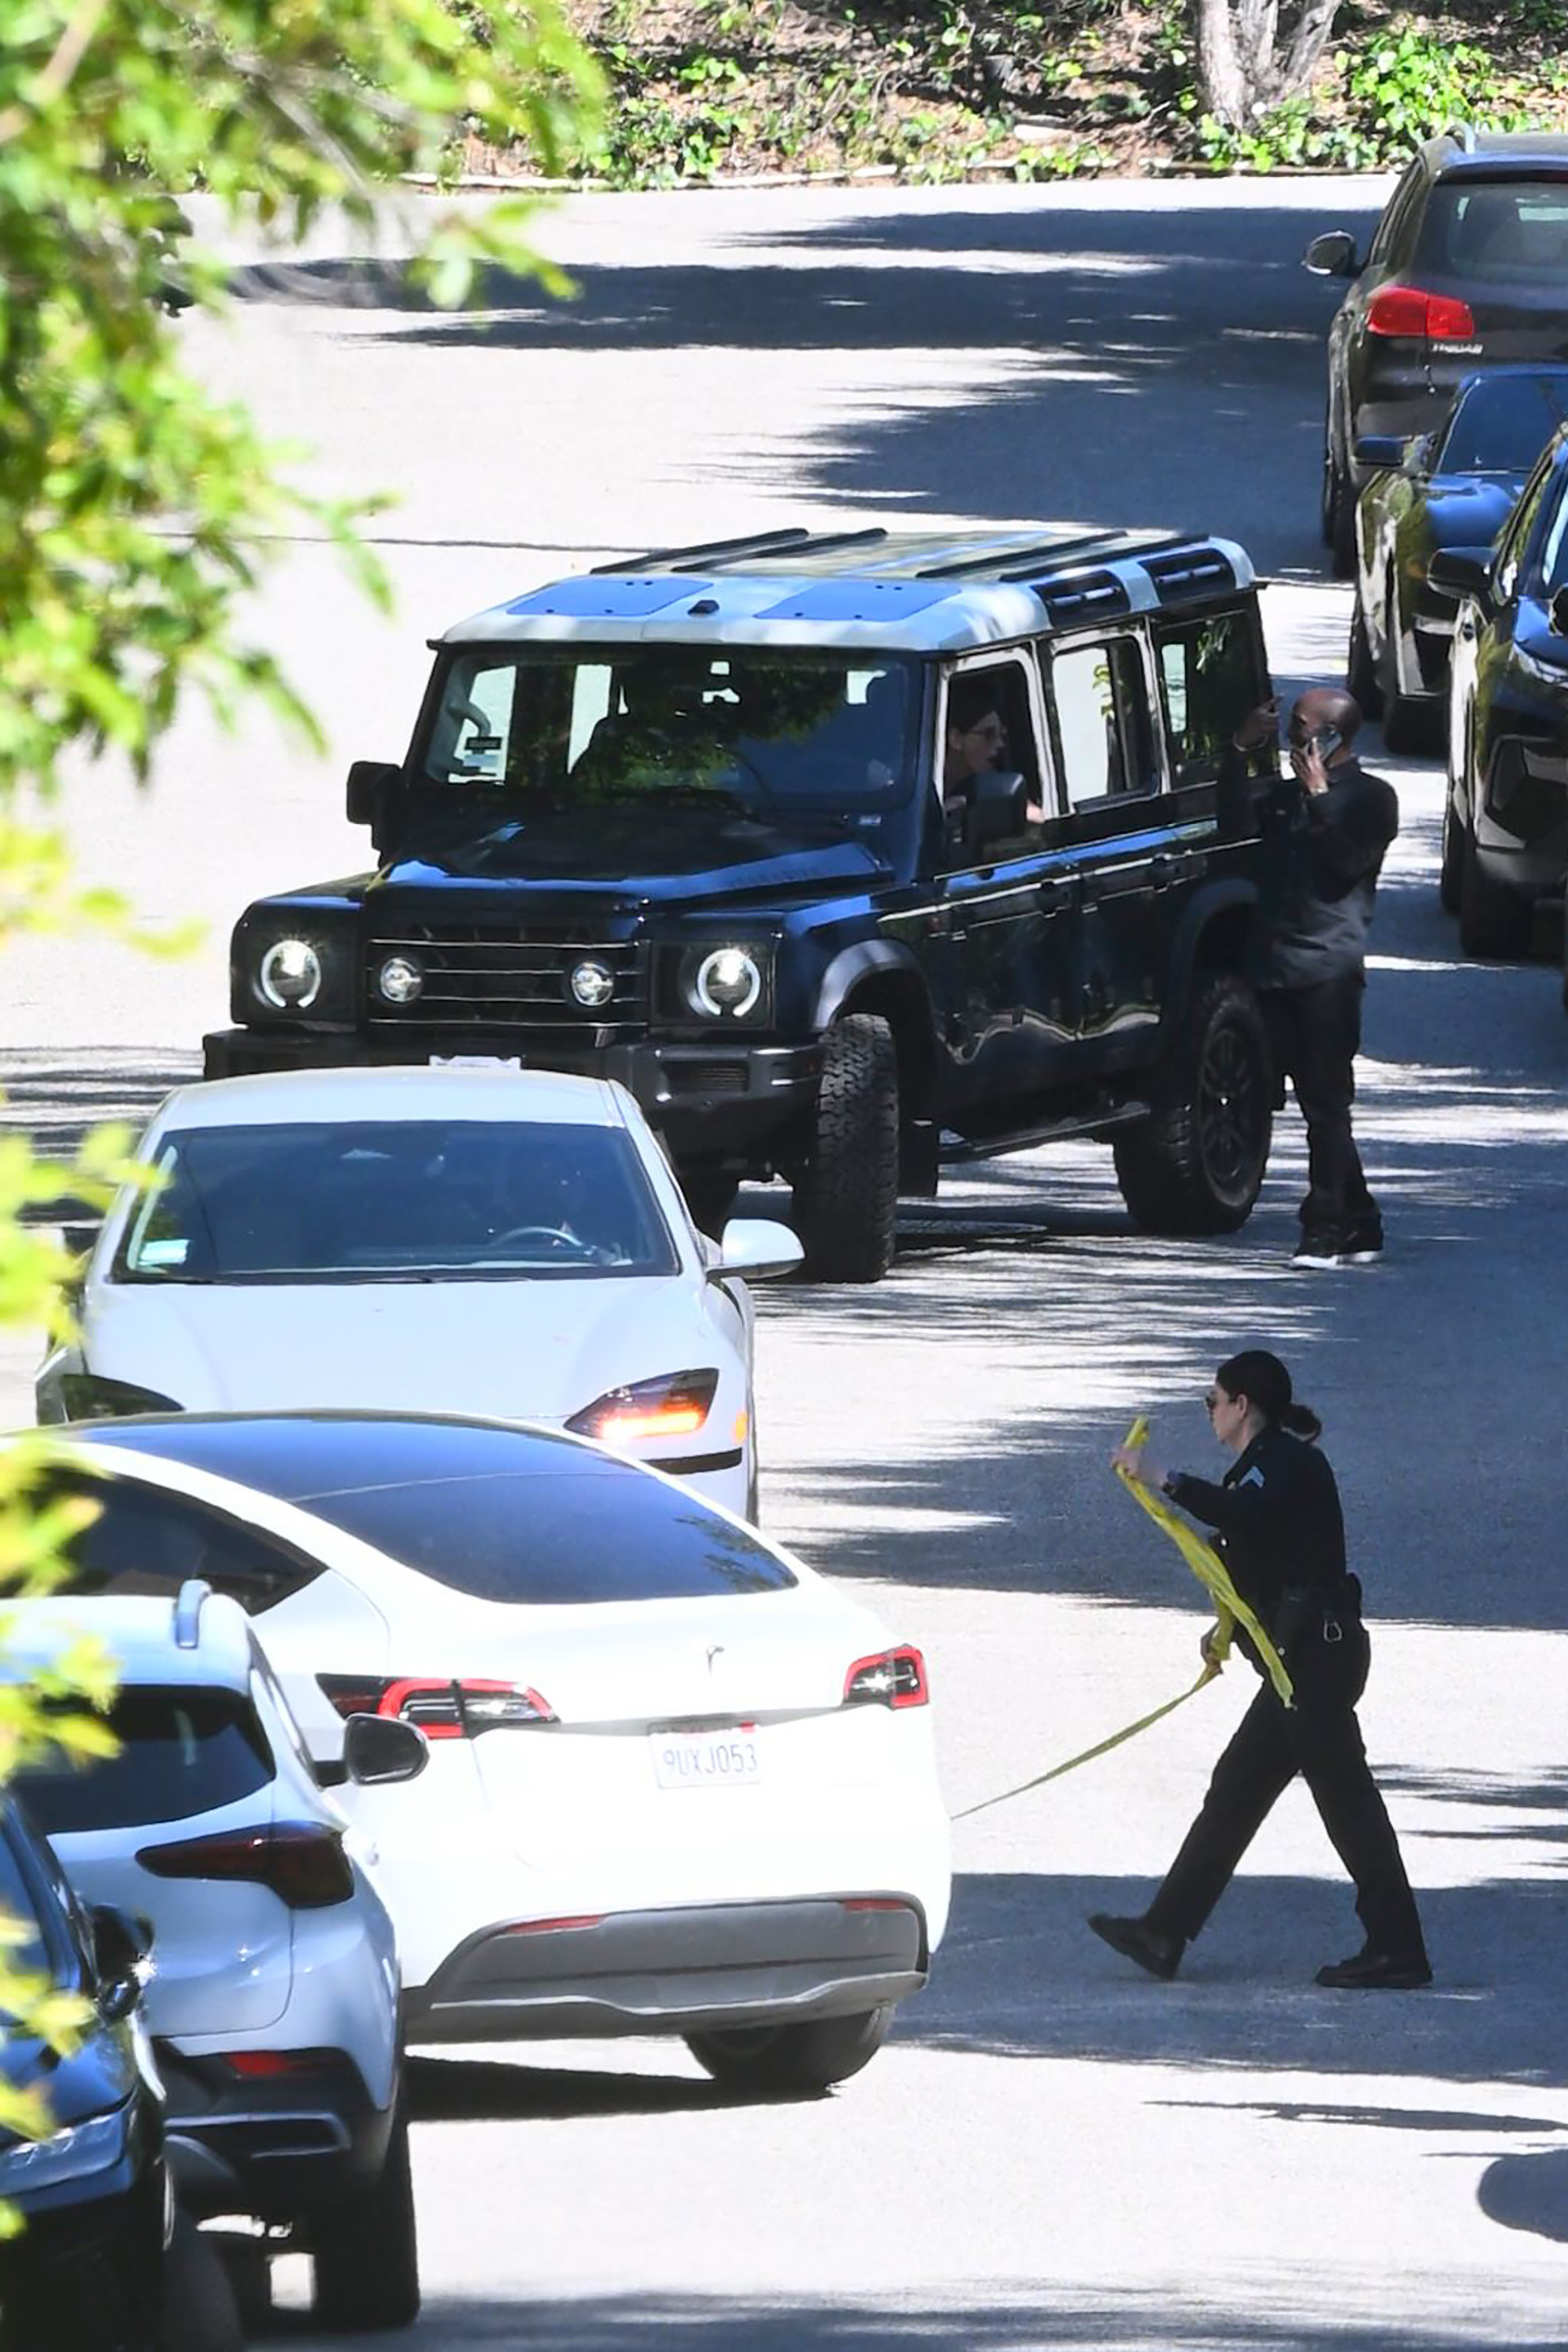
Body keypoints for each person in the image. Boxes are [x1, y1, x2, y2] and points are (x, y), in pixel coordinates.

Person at [1091, 1349, 1430, 1991]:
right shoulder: (1260, 1467)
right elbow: (1256, 1569)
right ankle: (1164, 1931)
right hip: (1292, 1664)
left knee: (1347, 1804)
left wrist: (1165, 1477)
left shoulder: (1285, 1462)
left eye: (1213, 1401)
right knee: (1236, 1788)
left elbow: (1239, 1514)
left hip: (1316, 1663)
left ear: (1243, 1405)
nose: (1210, 1413)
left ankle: (1398, 1948)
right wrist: (1223, 1633)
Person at [1226, 688, 1399, 1269]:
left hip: (1328, 970)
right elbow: (1234, 830)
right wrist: (1238, 750)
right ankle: (1362, 1217)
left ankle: (1324, 1228)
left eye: (1298, 727)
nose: (1290, 737)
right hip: (1273, 966)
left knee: (1326, 1107)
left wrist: (1322, 797)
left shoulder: (1374, 799)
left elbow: (1349, 865)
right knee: (1306, 1104)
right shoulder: (1281, 799)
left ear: (1330, 737)